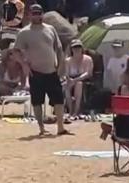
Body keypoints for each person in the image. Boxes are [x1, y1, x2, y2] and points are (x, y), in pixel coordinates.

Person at [16, 4, 69, 137]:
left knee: (58, 100)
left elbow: (58, 48)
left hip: (52, 71)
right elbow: (16, 52)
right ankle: (41, 128)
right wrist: (24, 65)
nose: (37, 15)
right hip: (36, 72)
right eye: (34, 13)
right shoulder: (24, 33)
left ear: (42, 14)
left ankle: (61, 128)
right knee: (37, 101)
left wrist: (61, 65)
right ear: (29, 15)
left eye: (39, 13)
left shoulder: (50, 29)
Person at [63, 39, 92, 118]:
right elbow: (66, 73)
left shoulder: (87, 59)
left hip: (84, 80)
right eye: (74, 48)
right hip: (71, 79)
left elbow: (88, 73)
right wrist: (69, 79)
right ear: (71, 49)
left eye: (79, 47)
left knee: (79, 84)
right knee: (66, 86)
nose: (77, 50)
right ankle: (70, 110)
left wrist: (76, 80)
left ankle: (76, 111)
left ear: (82, 48)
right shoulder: (68, 61)